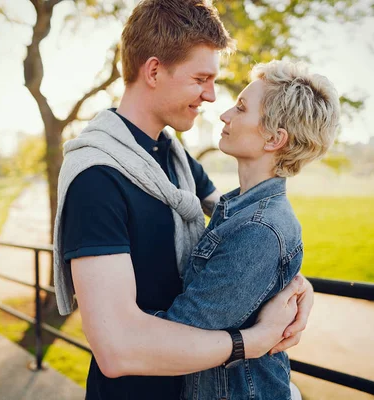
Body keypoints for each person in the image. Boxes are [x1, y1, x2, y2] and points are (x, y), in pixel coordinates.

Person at [52, 1, 315, 399]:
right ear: (154, 70)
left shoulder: (173, 157)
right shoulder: (97, 178)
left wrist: (292, 283)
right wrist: (254, 341)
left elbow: (252, 231)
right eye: (200, 79)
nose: (211, 96)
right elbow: (116, 348)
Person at [153, 60, 340, 399]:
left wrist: (114, 314)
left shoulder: (260, 229)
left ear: (274, 138)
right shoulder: (240, 210)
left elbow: (177, 335)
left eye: (240, 108)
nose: (224, 115)